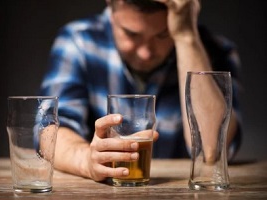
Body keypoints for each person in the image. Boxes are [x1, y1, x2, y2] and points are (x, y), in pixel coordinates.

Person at [39, 0, 242, 182]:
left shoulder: (214, 50)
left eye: (163, 35)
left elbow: (211, 151)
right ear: (111, 4)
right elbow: (50, 132)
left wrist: (186, 36)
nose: (145, 53)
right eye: (132, 34)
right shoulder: (78, 41)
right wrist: (87, 161)